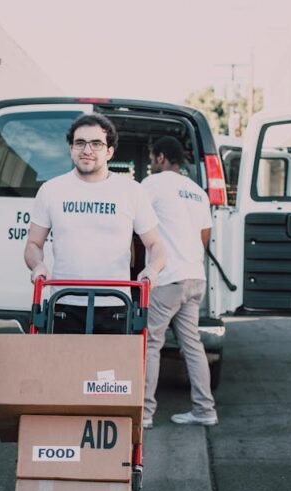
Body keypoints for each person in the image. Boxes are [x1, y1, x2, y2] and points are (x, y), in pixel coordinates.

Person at [24, 113, 165, 333]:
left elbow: (156, 245)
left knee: (108, 369)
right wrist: (38, 266)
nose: (87, 150)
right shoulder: (51, 190)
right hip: (63, 304)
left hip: (115, 304)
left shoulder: (131, 191)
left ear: (109, 152)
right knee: (64, 368)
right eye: (80, 143)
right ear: (71, 149)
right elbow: (33, 244)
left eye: (96, 144)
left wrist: (153, 269)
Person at [140, 136, 218, 427]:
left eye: (151, 158)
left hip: (168, 277)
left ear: (160, 157)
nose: (150, 164)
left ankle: (144, 414)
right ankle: (204, 410)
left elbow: (136, 224)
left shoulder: (153, 185)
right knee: (193, 345)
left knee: (150, 344)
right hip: (194, 277)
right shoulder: (197, 191)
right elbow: (204, 235)